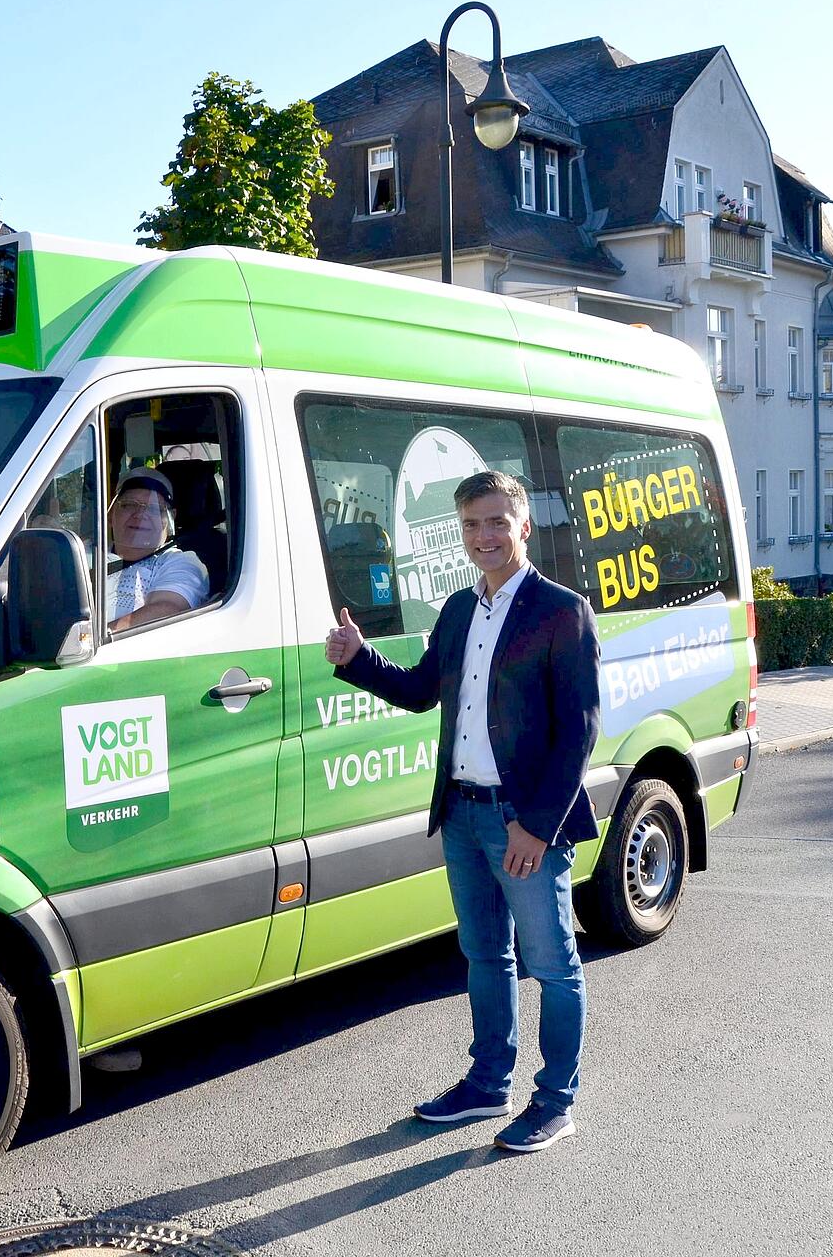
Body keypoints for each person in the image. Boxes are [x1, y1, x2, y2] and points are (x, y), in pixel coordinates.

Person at [323, 469, 600, 1153]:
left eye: (497, 522)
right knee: (483, 955)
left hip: (522, 819)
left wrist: (536, 825)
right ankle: (488, 1083)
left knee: (553, 963)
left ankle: (556, 1101)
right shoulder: (456, 611)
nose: (485, 536)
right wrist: (360, 660)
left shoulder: (561, 610)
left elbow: (581, 729)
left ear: (523, 526)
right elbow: (420, 692)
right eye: (472, 525)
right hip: (463, 812)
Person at [106, 468, 208, 632]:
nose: (140, 515)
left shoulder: (180, 562)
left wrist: (92, 640)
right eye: (129, 505)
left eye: (154, 509)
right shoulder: (86, 556)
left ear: (169, 519)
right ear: (111, 514)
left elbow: (168, 610)